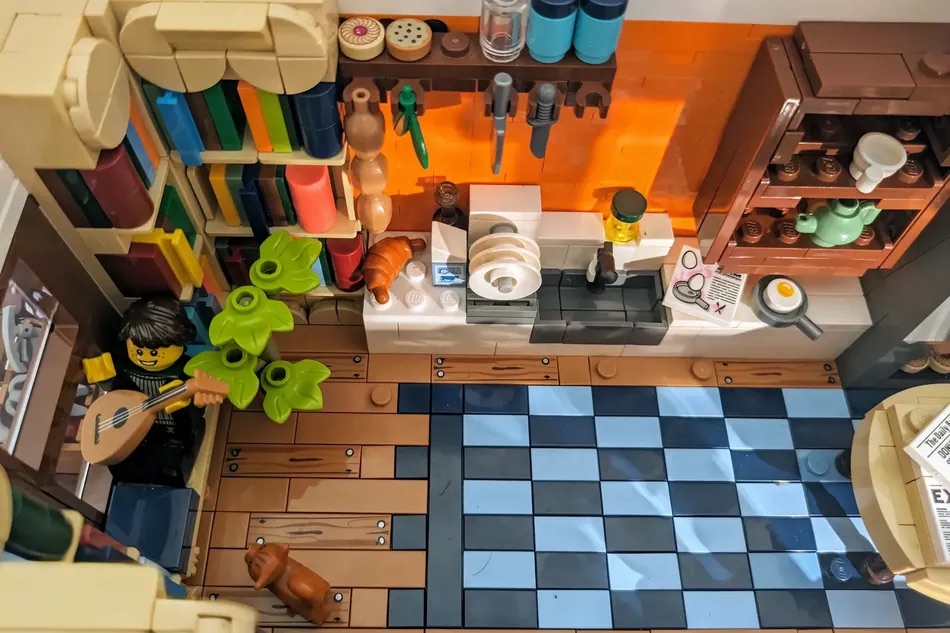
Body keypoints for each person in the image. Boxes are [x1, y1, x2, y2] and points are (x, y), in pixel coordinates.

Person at [83, 297, 203, 487]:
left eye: (154, 352)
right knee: (124, 467)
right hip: (132, 432)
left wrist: (192, 400)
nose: (146, 357)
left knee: (170, 466)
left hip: (172, 432)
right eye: (138, 351)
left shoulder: (187, 369)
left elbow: (198, 401)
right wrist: (102, 376)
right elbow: (111, 389)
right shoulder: (123, 367)